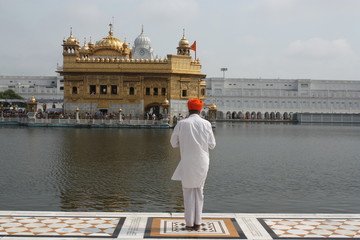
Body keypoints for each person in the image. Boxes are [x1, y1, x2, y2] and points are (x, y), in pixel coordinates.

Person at [170, 98, 216, 231]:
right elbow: (212, 145)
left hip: (188, 161)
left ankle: (189, 224)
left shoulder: (182, 123)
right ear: (200, 109)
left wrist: (184, 143)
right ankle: (198, 224)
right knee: (199, 191)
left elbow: (173, 143)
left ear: (188, 109)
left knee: (188, 191)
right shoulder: (206, 124)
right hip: (202, 161)